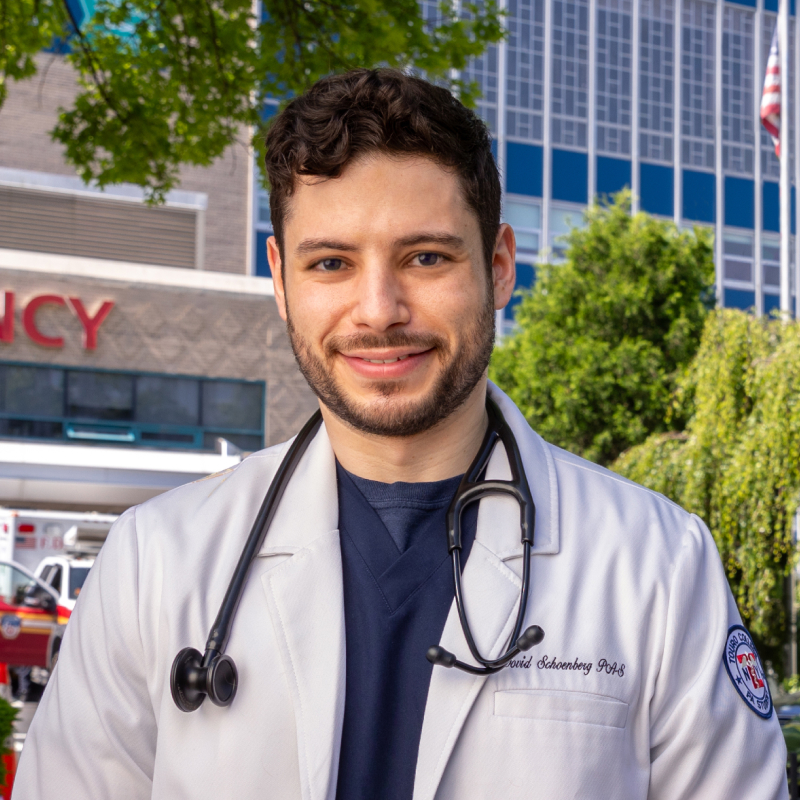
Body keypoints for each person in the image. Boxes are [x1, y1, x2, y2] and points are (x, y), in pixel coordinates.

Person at [13, 69, 788, 799]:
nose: (378, 309)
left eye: (424, 256)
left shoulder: (658, 565)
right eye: (331, 264)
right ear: (280, 281)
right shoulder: (156, 561)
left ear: (499, 264)